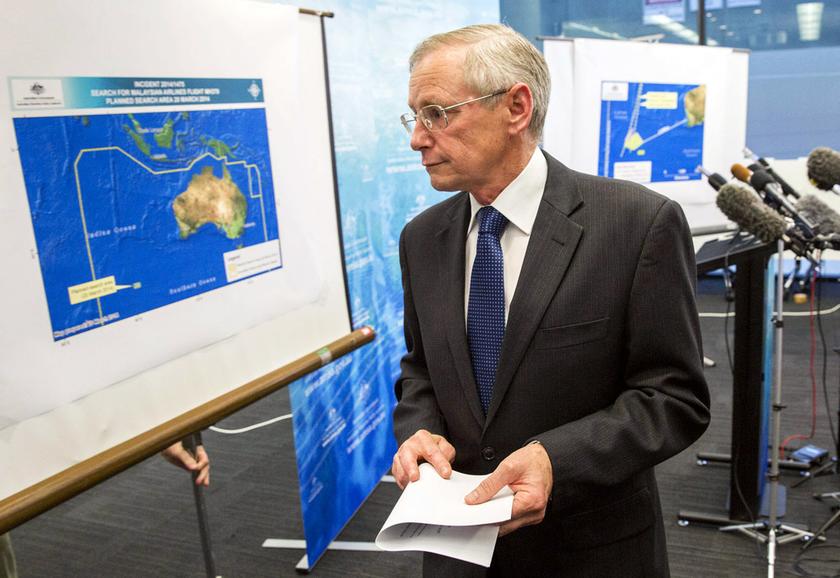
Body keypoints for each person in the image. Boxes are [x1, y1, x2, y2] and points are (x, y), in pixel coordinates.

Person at [391, 24, 710, 577]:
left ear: (516, 106)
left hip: (590, 552)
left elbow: (674, 396)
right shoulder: (422, 238)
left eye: (437, 114)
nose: (418, 138)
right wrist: (418, 433)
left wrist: (556, 461)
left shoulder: (636, 225)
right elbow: (421, 369)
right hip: (456, 551)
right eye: (414, 116)